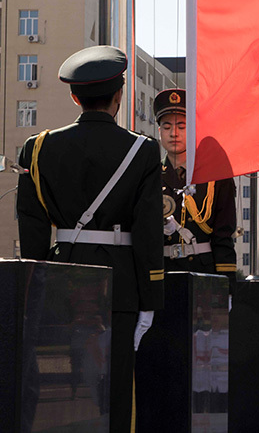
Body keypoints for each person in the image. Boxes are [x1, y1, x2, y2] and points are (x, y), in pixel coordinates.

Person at [16, 46, 164, 432]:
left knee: (61, 392)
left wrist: (35, 289)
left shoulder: (38, 148)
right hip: (121, 286)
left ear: (74, 96)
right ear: (119, 96)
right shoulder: (142, 150)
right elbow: (148, 232)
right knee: (116, 389)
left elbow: (31, 229)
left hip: (59, 282)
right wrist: (150, 300)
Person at [155, 89, 237, 294]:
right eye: (167, 127)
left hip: (203, 274)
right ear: (159, 132)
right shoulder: (149, 176)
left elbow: (223, 236)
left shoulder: (215, 178)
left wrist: (226, 285)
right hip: (161, 275)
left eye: (181, 126)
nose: (174, 133)